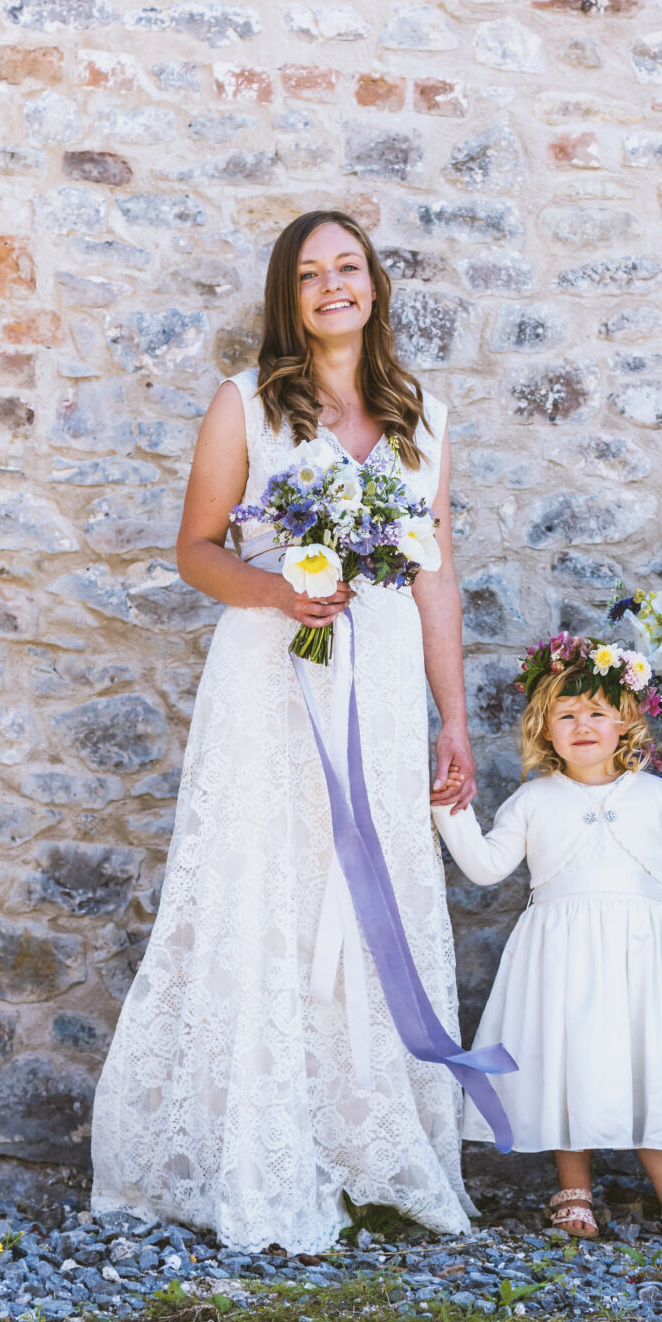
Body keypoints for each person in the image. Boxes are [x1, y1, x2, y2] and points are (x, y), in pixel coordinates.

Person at [91, 209, 480, 1254]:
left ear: (374, 285)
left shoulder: (424, 419)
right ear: (287, 296)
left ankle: (365, 1155)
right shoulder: (248, 408)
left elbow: (434, 577)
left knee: (370, 895)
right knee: (266, 883)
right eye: (310, 274)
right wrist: (274, 589)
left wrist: (454, 717)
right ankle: (260, 1152)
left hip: (385, 681)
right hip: (273, 678)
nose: (332, 286)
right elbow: (195, 549)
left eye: (348, 267)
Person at [431, 636, 662, 1245]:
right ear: (545, 730)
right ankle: (573, 1191)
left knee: (652, 1064)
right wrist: (448, 811)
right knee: (568, 1064)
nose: (582, 724)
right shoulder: (535, 799)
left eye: (596, 712)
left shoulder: (657, 796)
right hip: (560, 959)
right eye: (566, 716)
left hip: (645, 957)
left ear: (627, 723)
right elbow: (486, 866)